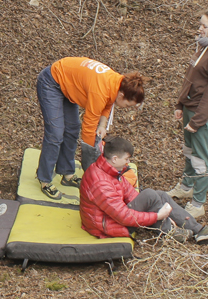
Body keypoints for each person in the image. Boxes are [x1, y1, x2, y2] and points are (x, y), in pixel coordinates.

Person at [36, 57, 146, 200]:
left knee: (72, 129)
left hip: (69, 86)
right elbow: (88, 127)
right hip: (52, 82)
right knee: (55, 133)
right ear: (122, 95)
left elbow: (108, 102)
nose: (126, 108)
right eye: (127, 105)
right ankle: (45, 179)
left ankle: (66, 173)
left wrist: (102, 125)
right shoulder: (101, 90)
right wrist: (92, 166)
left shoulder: (117, 83)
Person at [80, 136, 208, 242]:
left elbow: (131, 195)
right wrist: (158, 216)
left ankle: (198, 230)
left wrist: (156, 209)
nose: (128, 163)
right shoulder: (100, 183)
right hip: (107, 225)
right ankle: (169, 231)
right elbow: (124, 217)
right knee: (150, 195)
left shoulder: (110, 170)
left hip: (112, 216)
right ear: (115, 159)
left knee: (158, 195)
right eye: (126, 159)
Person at [167, 9, 208, 220]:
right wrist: (180, 104)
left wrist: (197, 121)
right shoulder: (205, 46)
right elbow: (191, 78)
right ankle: (187, 186)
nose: (200, 28)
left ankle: (198, 204)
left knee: (200, 159)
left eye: (204, 26)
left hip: (201, 115)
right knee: (189, 150)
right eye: (201, 24)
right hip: (190, 109)